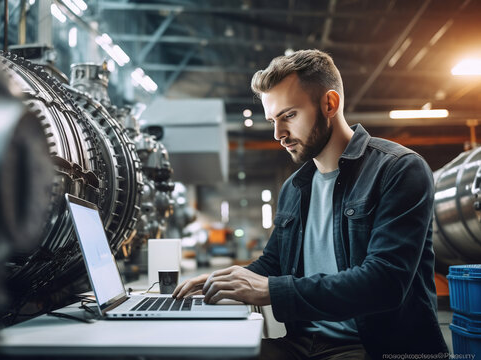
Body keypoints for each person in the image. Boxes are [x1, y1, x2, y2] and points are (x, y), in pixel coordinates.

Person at [172, 49, 448, 359]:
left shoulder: (398, 170)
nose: (279, 134)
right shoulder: (295, 187)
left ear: (330, 104)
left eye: (289, 115)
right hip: (303, 342)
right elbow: (274, 264)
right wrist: (223, 281)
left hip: (375, 346)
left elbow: (384, 281)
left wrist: (272, 290)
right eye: (273, 120)